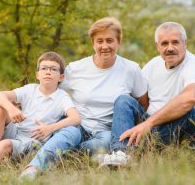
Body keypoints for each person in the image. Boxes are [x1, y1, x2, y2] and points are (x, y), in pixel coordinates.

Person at [19, 17, 148, 178]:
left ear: (118, 42)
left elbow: (142, 103)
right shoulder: (76, 69)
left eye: (110, 40)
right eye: (99, 41)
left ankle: (57, 153)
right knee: (67, 135)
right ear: (93, 43)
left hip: (107, 131)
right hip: (79, 125)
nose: (105, 46)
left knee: (101, 145)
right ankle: (32, 169)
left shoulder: (131, 69)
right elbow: (50, 90)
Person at [101, 21, 195, 166]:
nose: (170, 48)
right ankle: (120, 154)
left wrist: (147, 124)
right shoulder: (153, 65)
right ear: (157, 46)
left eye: (175, 42)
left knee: (188, 111)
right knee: (123, 100)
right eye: (164, 43)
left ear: (185, 43)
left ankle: (134, 150)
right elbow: (137, 97)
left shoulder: (194, 66)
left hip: (186, 132)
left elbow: (189, 99)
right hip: (153, 129)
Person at [0, 52, 80, 179]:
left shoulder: (62, 97)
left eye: (53, 69)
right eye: (44, 68)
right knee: (1, 106)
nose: (48, 72)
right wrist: (11, 108)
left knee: (3, 145)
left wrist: (50, 128)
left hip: (31, 141)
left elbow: (75, 118)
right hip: (17, 130)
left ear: (61, 77)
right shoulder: (30, 89)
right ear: (37, 75)